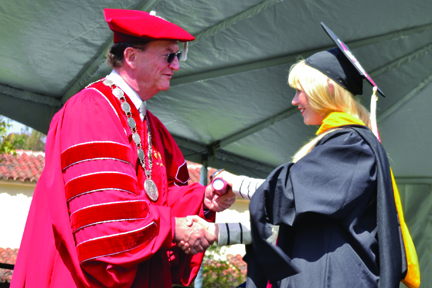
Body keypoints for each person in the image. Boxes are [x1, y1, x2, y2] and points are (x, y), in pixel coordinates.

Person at [11, 8, 235, 288]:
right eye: (169, 55)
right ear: (130, 57)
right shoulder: (92, 110)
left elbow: (160, 196)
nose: (176, 65)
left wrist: (203, 200)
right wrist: (173, 227)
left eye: (179, 56)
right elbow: (105, 212)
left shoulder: (150, 124)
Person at [207, 23, 420, 288]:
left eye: (300, 90)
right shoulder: (344, 144)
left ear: (327, 90)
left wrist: (234, 183)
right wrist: (216, 232)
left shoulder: (352, 146)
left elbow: (287, 194)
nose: (295, 101)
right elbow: (293, 218)